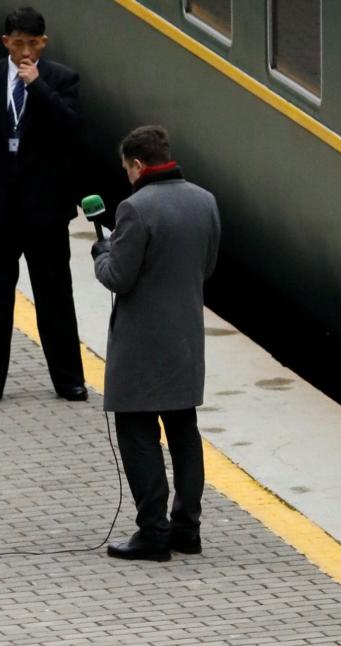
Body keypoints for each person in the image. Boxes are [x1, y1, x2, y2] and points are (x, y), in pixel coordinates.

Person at [91, 126, 220, 562]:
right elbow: (207, 266)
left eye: (127, 168)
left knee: (137, 431)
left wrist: (101, 253)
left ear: (138, 164)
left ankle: (153, 531)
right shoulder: (205, 200)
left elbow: (117, 277)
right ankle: (188, 529)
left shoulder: (135, 208)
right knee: (184, 432)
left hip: (141, 345)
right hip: (185, 338)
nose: (127, 176)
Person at [0, 5, 86, 406]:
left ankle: (69, 380)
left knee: (55, 296)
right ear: (5, 42)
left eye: (32, 44)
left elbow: (70, 129)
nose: (24, 51)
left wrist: (36, 86)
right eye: (18, 44)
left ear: (43, 43)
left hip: (44, 209)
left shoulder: (61, 78)